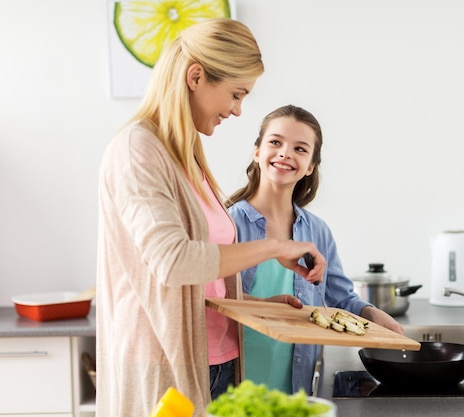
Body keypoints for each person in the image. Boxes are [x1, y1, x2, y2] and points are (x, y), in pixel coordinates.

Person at [96, 21, 326, 417]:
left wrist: (256, 305)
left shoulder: (186, 156)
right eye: (236, 94)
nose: (237, 110)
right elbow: (174, 261)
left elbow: (201, 281)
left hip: (217, 362)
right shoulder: (137, 150)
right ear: (196, 76)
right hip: (164, 363)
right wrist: (274, 247)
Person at [226, 104, 403, 395]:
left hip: (296, 389)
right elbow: (209, 300)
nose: (285, 153)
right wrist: (260, 306)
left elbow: (337, 299)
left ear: (310, 166)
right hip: (235, 386)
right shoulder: (229, 224)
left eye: (300, 148)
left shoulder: (317, 231)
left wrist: (372, 314)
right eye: (275, 142)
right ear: (257, 151)